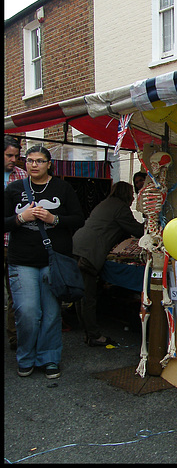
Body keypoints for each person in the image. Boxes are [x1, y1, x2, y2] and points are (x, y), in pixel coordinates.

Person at [4, 145, 84, 379]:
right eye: (29, 161)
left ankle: (49, 357)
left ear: (49, 164)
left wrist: (54, 218)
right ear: (25, 163)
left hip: (54, 260)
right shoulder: (14, 189)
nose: (34, 165)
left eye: (39, 161)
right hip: (22, 260)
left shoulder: (63, 187)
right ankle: (26, 356)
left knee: (51, 313)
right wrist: (21, 218)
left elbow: (78, 219)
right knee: (27, 311)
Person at [72, 181, 144, 347]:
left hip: (77, 246)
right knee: (88, 296)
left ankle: (87, 331)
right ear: (126, 194)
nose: (133, 197)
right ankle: (93, 335)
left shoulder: (106, 203)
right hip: (89, 254)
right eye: (132, 193)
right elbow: (137, 230)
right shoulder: (120, 208)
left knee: (80, 294)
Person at [4, 135, 28, 350]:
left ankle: (14, 336)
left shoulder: (21, 176)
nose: (14, 159)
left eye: (16, 156)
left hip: (13, 241)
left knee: (15, 292)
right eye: (9, 155)